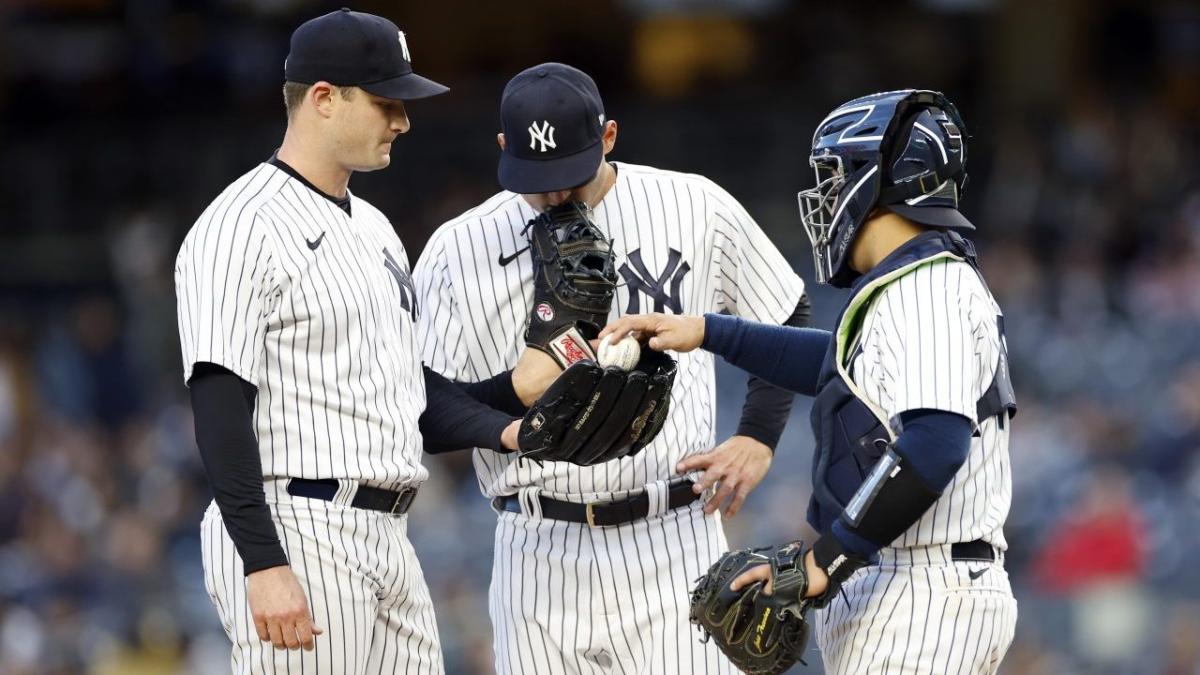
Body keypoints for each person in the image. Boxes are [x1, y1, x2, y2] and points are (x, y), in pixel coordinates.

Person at [602, 89, 1019, 674]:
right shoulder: (912, 285)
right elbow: (838, 366)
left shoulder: (930, 287)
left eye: (837, 173)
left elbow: (935, 441)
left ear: (885, 180)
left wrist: (826, 558)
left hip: (924, 588)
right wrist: (706, 330)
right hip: (905, 582)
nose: (825, 192)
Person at [412, 62, 811, 673]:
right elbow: (421, 409)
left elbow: (785, 313)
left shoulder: (692, 205)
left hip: (671, 532)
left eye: (568, 173)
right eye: (533, 176)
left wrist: (758, 434)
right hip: (536, 543)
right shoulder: (457, 247)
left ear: (609, 138)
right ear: (503, 149)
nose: (553, 194)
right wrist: (514, 404)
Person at [175, 10, 534, 673]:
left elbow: (411, 398)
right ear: (323, 98)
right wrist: (263, 561)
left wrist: (516, 414)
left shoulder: (374, 227)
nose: (402, 120)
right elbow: (218, 410)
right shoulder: (239, 226)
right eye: (386, 101)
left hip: (389, 531)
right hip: (298, 527)